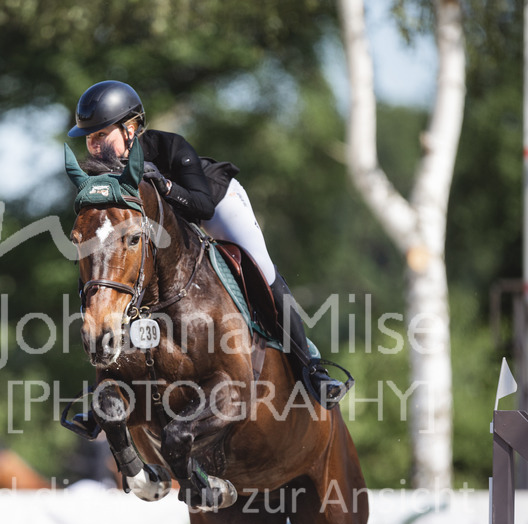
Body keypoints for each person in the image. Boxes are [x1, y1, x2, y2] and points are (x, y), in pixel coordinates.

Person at [68, 80, 350, 408]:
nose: (94, 146)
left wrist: (165, 185)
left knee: (262, 270)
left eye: (101, 135)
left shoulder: (169, 147)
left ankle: (311, 369)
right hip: (173, 238)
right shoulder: (105, 182)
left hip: (216, 205)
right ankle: (107, 394)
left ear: (131, 129)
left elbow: (202, 207)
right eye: (89, 138)